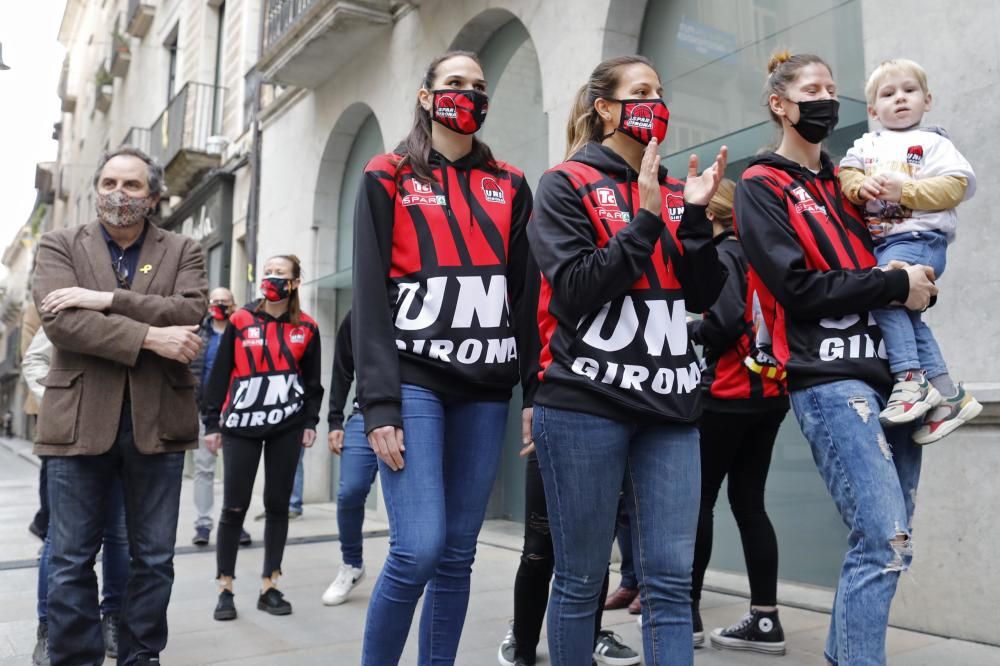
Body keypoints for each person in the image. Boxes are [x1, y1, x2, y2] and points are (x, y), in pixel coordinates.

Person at [734, 51, 938, 666]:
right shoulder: (759, 185)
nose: (827, 98)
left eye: (833, 86)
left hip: (897, 381)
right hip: (827, 376)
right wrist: (893, 284)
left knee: (892, 543)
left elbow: (905, 246)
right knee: (881, 536)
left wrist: (918, 275)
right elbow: (795, 289)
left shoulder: (852, 179)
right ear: (780, 103)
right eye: (812, 88)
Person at [527, 55, 727, 665]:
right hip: (587, 403)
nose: (656, 102)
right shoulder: (564, 183)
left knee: (669, 584)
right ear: (605, 108)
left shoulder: (670, 188)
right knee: (582, 580)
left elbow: (699, 293)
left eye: (661, 91)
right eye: (641, 92)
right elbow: (577, 288)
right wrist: (643, 220)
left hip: (670, 406)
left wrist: (692, 216)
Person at [352, 50, 535, 665]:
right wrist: (378, 405)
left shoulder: (510, 183)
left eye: (479, 85)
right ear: (428, 96)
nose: (469, 93)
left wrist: (533, 393)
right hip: (414, 383)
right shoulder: (387, 173)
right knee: (419, 547)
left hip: (485, 390)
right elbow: (370, 298)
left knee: (458, 552)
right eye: (454, 83)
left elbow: (525, 295)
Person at [32, 146, 208, 666]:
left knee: (153, 559)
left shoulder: (184, 249)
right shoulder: (59, 244)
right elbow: (62, 323)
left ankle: (140, 656)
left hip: (159, 424)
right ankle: (74, 658)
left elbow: (191, 309)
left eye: (131, 186)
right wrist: (153, 339)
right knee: (69, 559)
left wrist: (105, 299)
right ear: (97, 190)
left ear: (153, 197)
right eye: (109, 183)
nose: (118, 194)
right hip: (79, 422)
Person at [838, 58, 980, 444]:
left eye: (909, 91)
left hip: (921, 241)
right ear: (872, 110)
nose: (899, 98)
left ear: (927, 99)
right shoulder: (868, 143)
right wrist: (858, 186)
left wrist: (906, 192)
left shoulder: (935, 142)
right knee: (904, 313)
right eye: (888, 94)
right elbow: (846, 173)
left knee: (885, 292)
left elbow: (956, 188)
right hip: (884, 243)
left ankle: (910, 378)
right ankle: (949, 395)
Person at [687, 178, 790, 654]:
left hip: (726, 393)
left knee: (699, 502)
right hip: (771, 393)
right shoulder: (766, 250)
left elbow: (725, 320)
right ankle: (766, 620)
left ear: (713, 215)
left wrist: (694, 329)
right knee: (751, 504)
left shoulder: (725, 252)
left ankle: (684, 615)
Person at [203, 254, 324, 621]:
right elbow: (220, 374)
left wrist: (310, 422)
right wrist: (211, 423)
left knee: (277, 505)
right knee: (234, 507)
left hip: (286, 427)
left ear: (295, 283)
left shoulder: (307, 327)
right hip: (240, 427)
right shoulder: (240, 320)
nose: (271, 278)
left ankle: (269, 585)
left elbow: (313, 382)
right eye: (268, 272)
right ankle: (225, 588)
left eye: (280, 274)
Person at [23, 328, 130, 666]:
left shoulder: (134, 300)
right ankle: (50, 629)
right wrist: (62, 406)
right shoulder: (73, 299)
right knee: (61, 540)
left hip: (122, 442)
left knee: (119, 534)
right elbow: (35, 360)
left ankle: (112, 616)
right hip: (72, 442)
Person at [498, 448, 640, 666]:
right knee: (537, 552)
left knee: (594, 557)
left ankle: (590, 640)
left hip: (609, 433)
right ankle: (522, 640)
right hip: (553, 429)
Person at [320, 310, 379, 606]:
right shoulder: (359, 314)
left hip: (417, 416)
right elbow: (342, 369)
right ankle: (352, 565)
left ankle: (410, 571)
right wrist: (333, 421)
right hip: (364, 414)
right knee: (350, 491)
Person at [190, 287, 251, 547]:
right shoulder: (198, 333)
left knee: (236, 472)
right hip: (204, 412)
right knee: (203, 469)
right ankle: (203, 524)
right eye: (215, 301)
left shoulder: (242, 333)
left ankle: (235, 523)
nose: (219, 306)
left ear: (233, 305)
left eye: (224, 302)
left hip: (237, 412)